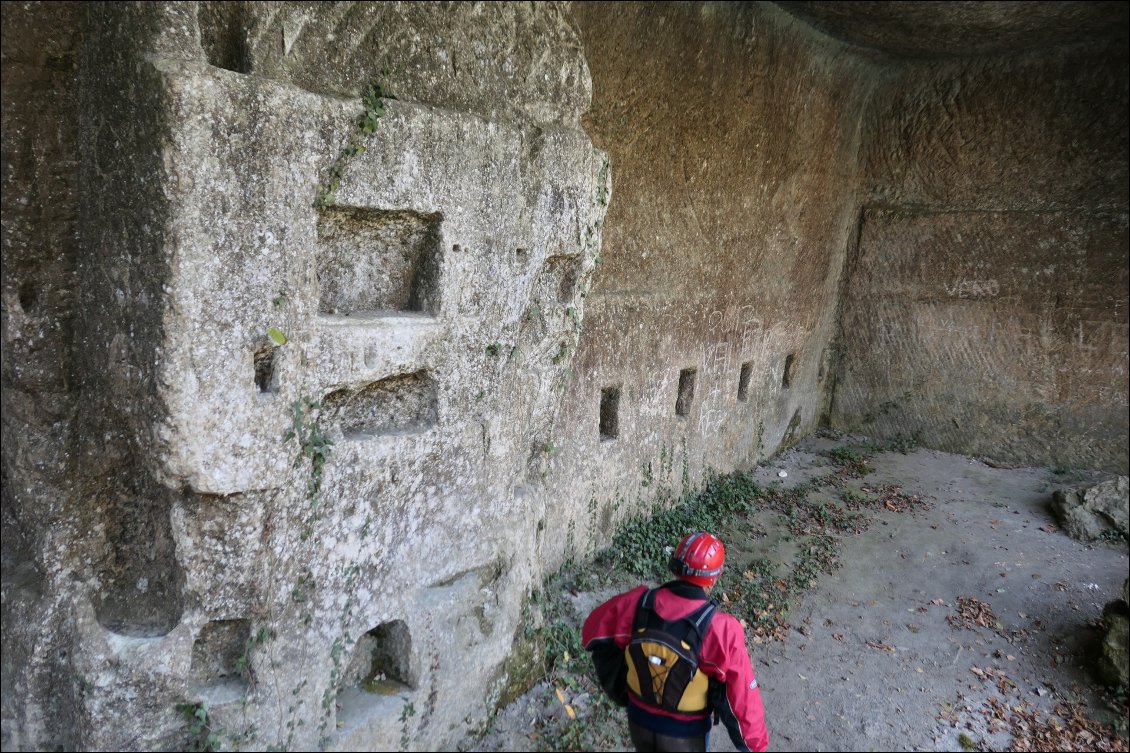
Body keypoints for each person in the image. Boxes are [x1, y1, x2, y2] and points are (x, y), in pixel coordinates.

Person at [582, 531, 769, 752]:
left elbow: (592, 634)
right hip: (687, 736)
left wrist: (622, 690)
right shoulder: (722, 629)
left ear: (675, 565)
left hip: (639, 723)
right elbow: (742, 700)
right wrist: (755, 747)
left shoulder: (636, 604)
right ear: (714, 578)